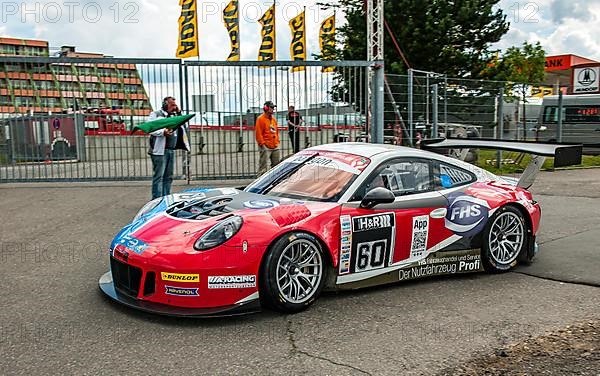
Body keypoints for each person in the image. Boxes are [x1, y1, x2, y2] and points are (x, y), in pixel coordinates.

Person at [147, 96, 190, 199]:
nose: (174, 107)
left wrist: (179, 113)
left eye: (175, 105)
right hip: (159, 150)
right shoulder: (156, 114)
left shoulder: (174, 116)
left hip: (170, 149)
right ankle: (156, 199)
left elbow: (184, 127)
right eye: (172, 105)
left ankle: (166, 197)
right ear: (165, 104)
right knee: (159, 176)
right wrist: (162, 132)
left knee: (169, 176)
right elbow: (149, 127)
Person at [255, 100, 280, 176]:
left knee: (276, 165)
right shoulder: (260, 119)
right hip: (265, 146)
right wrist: (262, 144)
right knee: (263, 165)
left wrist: (277, 141)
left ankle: (274, 179)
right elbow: (258, 133)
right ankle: (260, 179)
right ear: (266, 108)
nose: (273, 109)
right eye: (271, 107)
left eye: (273, 107)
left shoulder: (273, 119)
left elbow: (276, 131)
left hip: (275, 145)